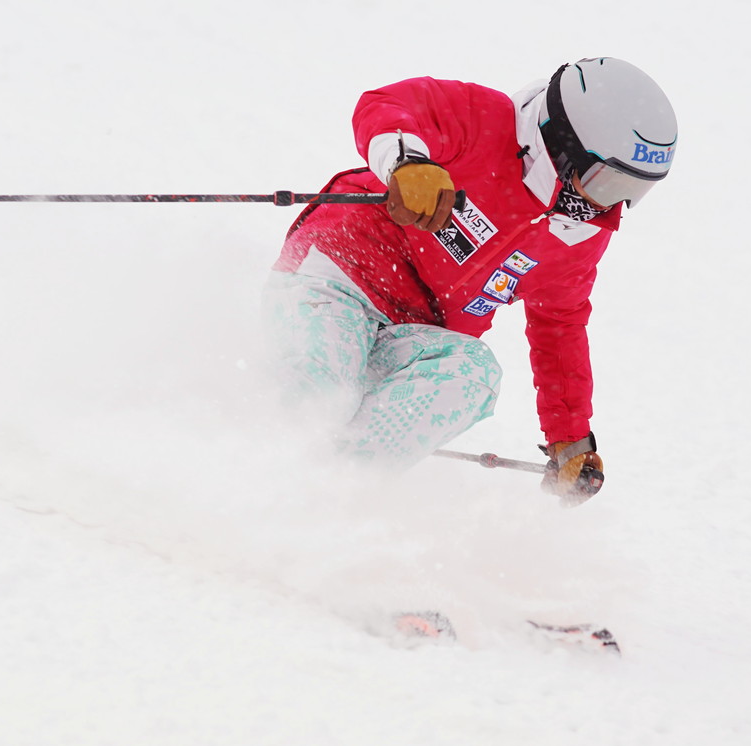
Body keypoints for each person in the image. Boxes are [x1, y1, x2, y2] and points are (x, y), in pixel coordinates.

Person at [262, 57, 677, 505]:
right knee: (325, 395)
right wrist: (406, 162)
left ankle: (328, 494)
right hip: (339, 274)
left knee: (473, 372)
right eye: (606, 180)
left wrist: (570, 441)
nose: (608, 205)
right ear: (565, 142)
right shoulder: (486, 123)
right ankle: (256, 470)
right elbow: (386, 104)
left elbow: (560, 325)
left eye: (631, 191)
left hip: (411, 335)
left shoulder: (580, 235)